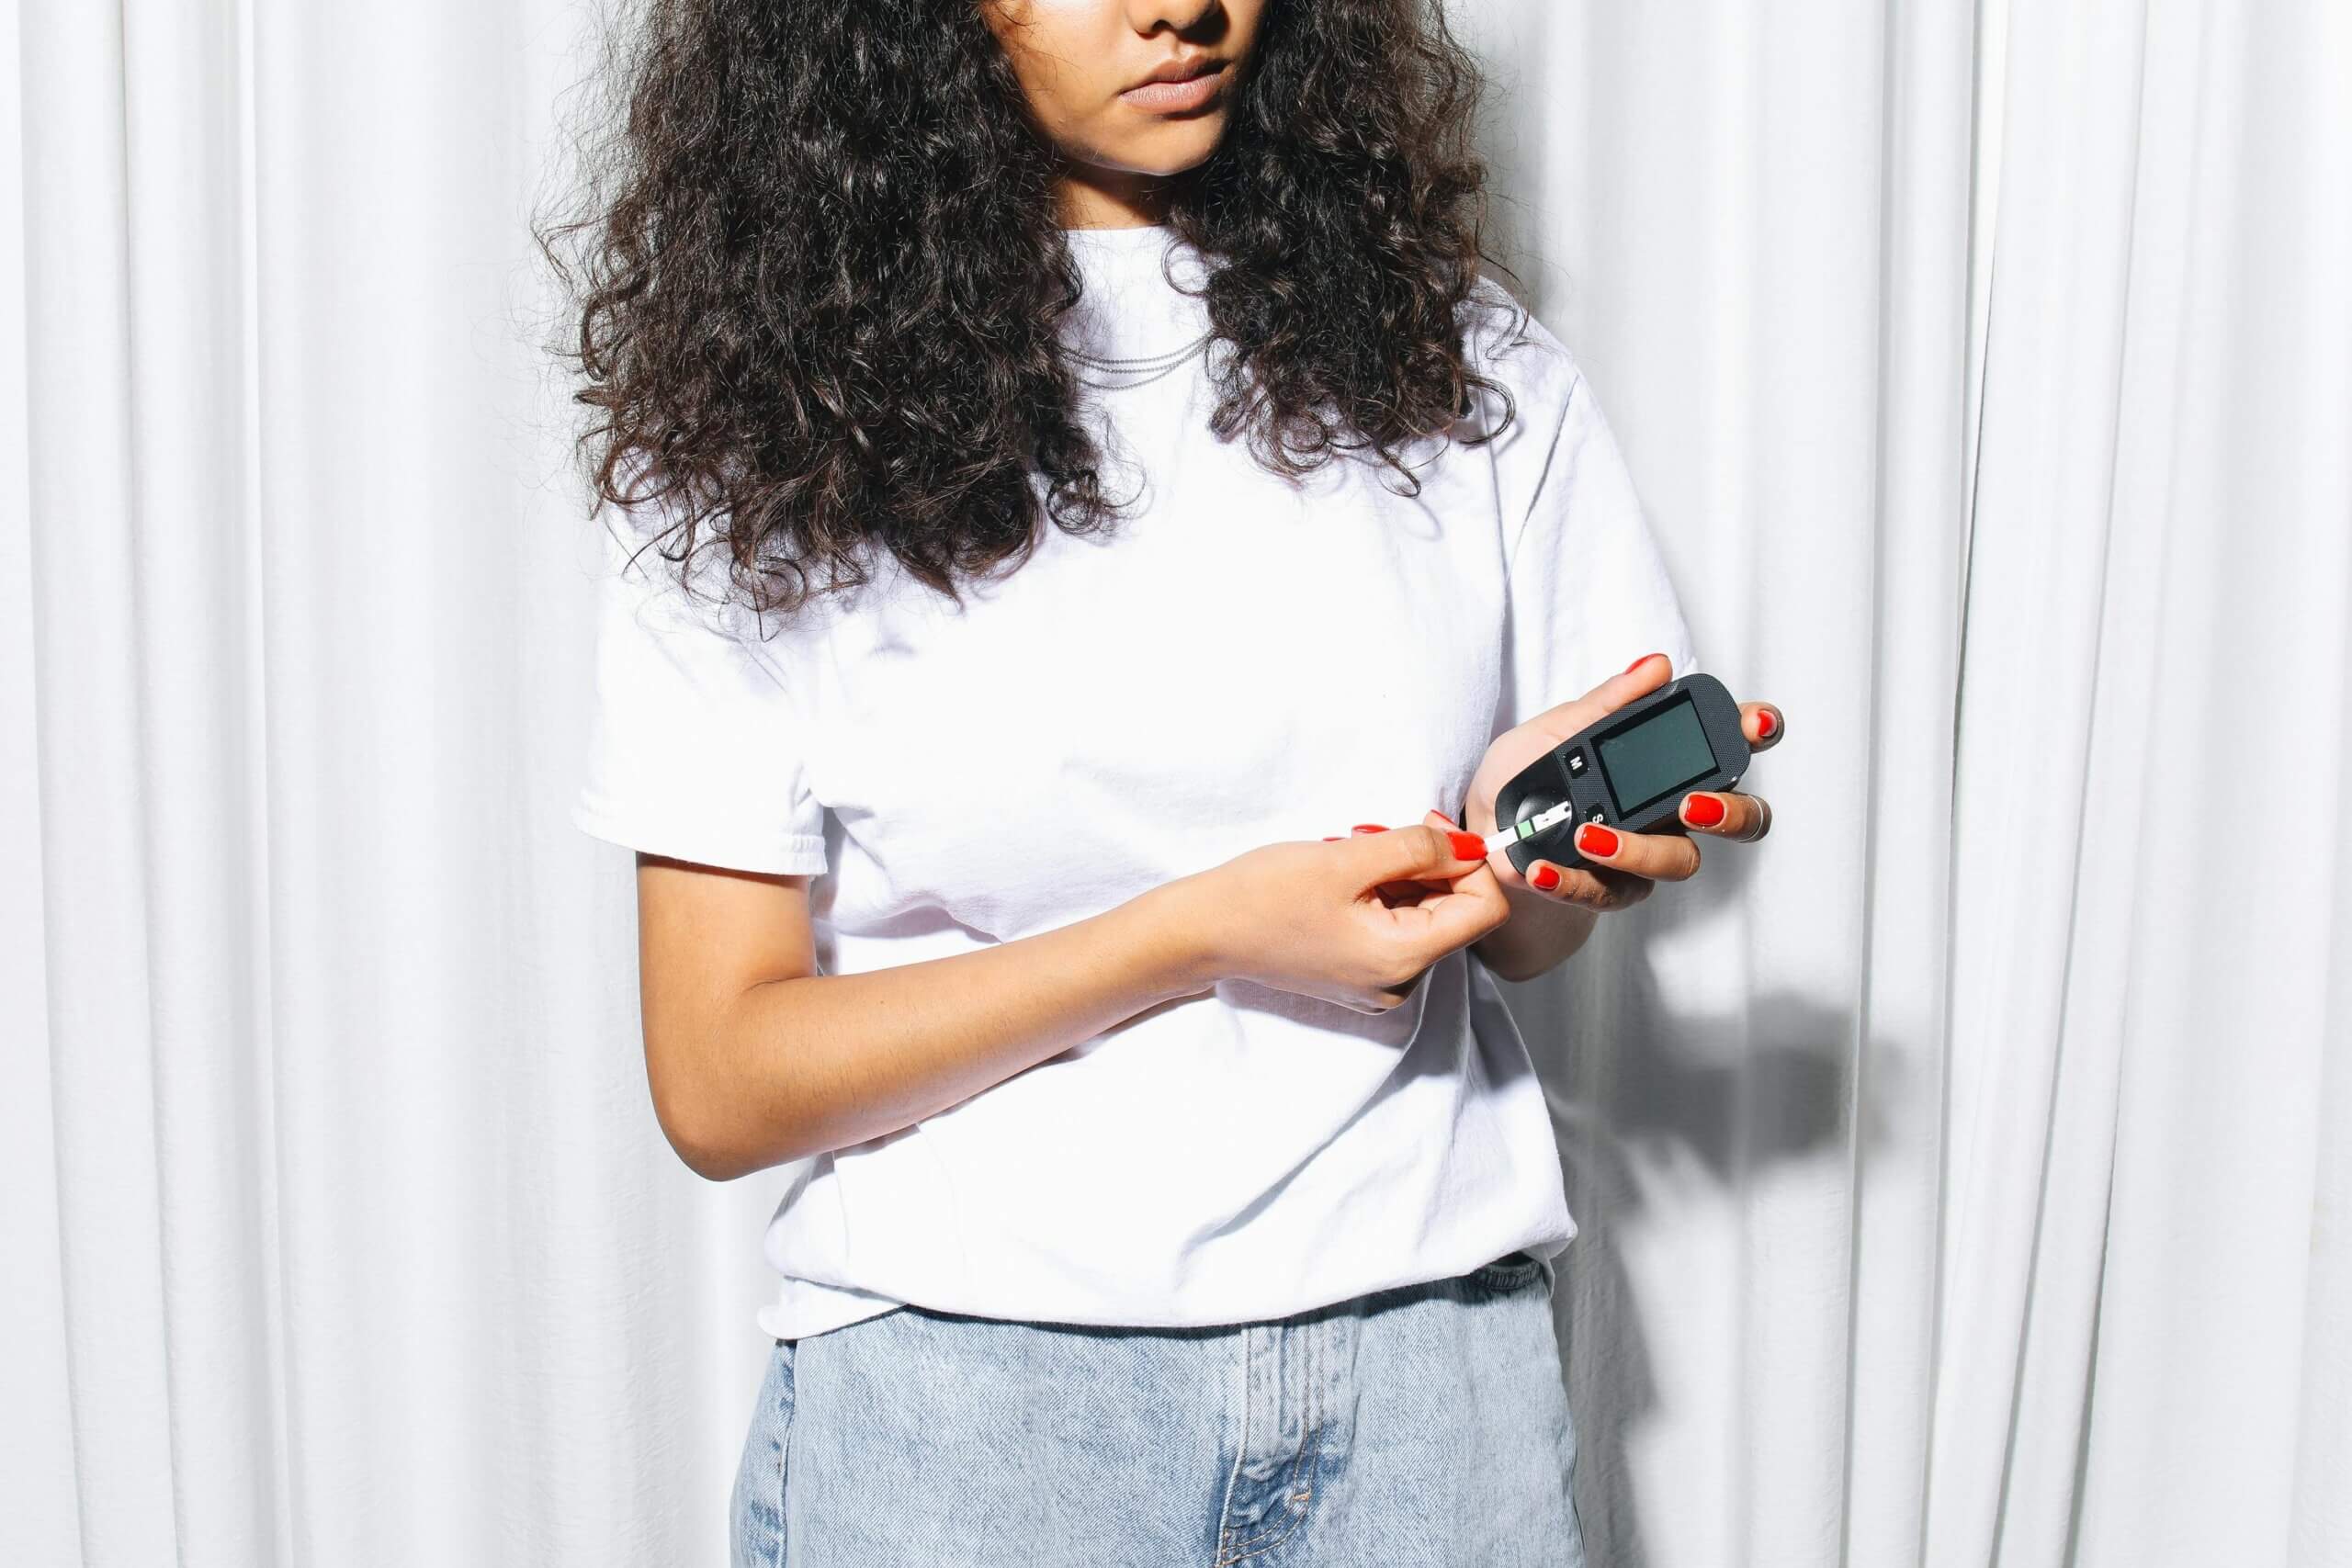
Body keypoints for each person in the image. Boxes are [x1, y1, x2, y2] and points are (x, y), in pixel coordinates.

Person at [543, 1, 1783, 1562]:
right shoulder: (770, 436)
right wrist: (1195, 935)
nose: (1180, 3)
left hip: (1427, 1391)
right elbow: (722, 1082)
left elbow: (1522, 942)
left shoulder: (1458, 360)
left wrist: (1524, 861)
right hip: (975, 1415)